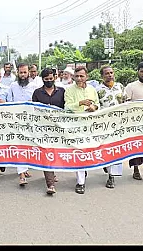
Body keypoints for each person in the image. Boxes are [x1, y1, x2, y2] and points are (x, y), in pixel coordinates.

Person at [64, 66, 100, 194]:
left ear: (87, 76)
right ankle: (80, 182)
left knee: (89, 150)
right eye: (77, 76)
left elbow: (97, 103)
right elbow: (67, 108)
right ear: (73, 76)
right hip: (76, 126)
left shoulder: (92, 89)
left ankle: (84, 170)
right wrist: (80, 103)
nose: (79, 78)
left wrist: (94, 107)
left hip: (90, 126)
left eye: (82, 76)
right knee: (78, 152)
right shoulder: (69, 90)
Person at [32, 68, 66, 194]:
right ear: (42, 80)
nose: (49, 81)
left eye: (51, 79)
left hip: (58, 127)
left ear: (55, 78)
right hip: (43, 128)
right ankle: (50, 184)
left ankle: (52, 172)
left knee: (56, 152)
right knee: (46, 152)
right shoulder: (37, 93)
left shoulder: (62, 92)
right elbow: (34, 110)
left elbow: (66, 108)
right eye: (46, 80)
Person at [7, 63, 38, 186]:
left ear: (29, 73)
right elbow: (9, 101)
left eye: (25, 72)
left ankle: (25, 169)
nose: (23, 75)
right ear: (17, 73)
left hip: (31, 121)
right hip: (16, 120)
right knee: (20, 146)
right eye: (21, 73)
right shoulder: (13, 86)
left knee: (28, 146)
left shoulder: (35, 86)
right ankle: (21, 175)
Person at [96, 65, 126, 188]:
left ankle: (112, 176)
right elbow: (96, 107)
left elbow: (126, 102)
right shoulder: (98, 90)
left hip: (119, 124)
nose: (109, 75)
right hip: (104, 125)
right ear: (102, 76)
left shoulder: (120, 87)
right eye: (107, 73)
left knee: (116, 150)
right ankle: (108, 169)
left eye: (111, 72)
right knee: (106, 149)